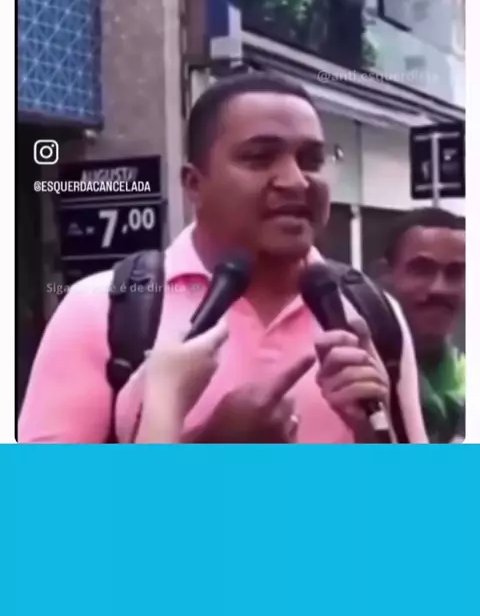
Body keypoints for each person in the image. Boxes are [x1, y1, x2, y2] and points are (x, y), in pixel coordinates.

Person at [19, 74, 428, 443]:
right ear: (194, 184)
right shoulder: (102, 309)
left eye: (311, 161)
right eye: (260, 157)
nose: (296, 181)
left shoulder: (370, 311)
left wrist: (372, 434)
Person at [379, 208, 465, 443]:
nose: (440, 288)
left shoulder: (466, 379)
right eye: (422, 269)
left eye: (456, 273)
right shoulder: (351, 374)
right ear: (385, 275)